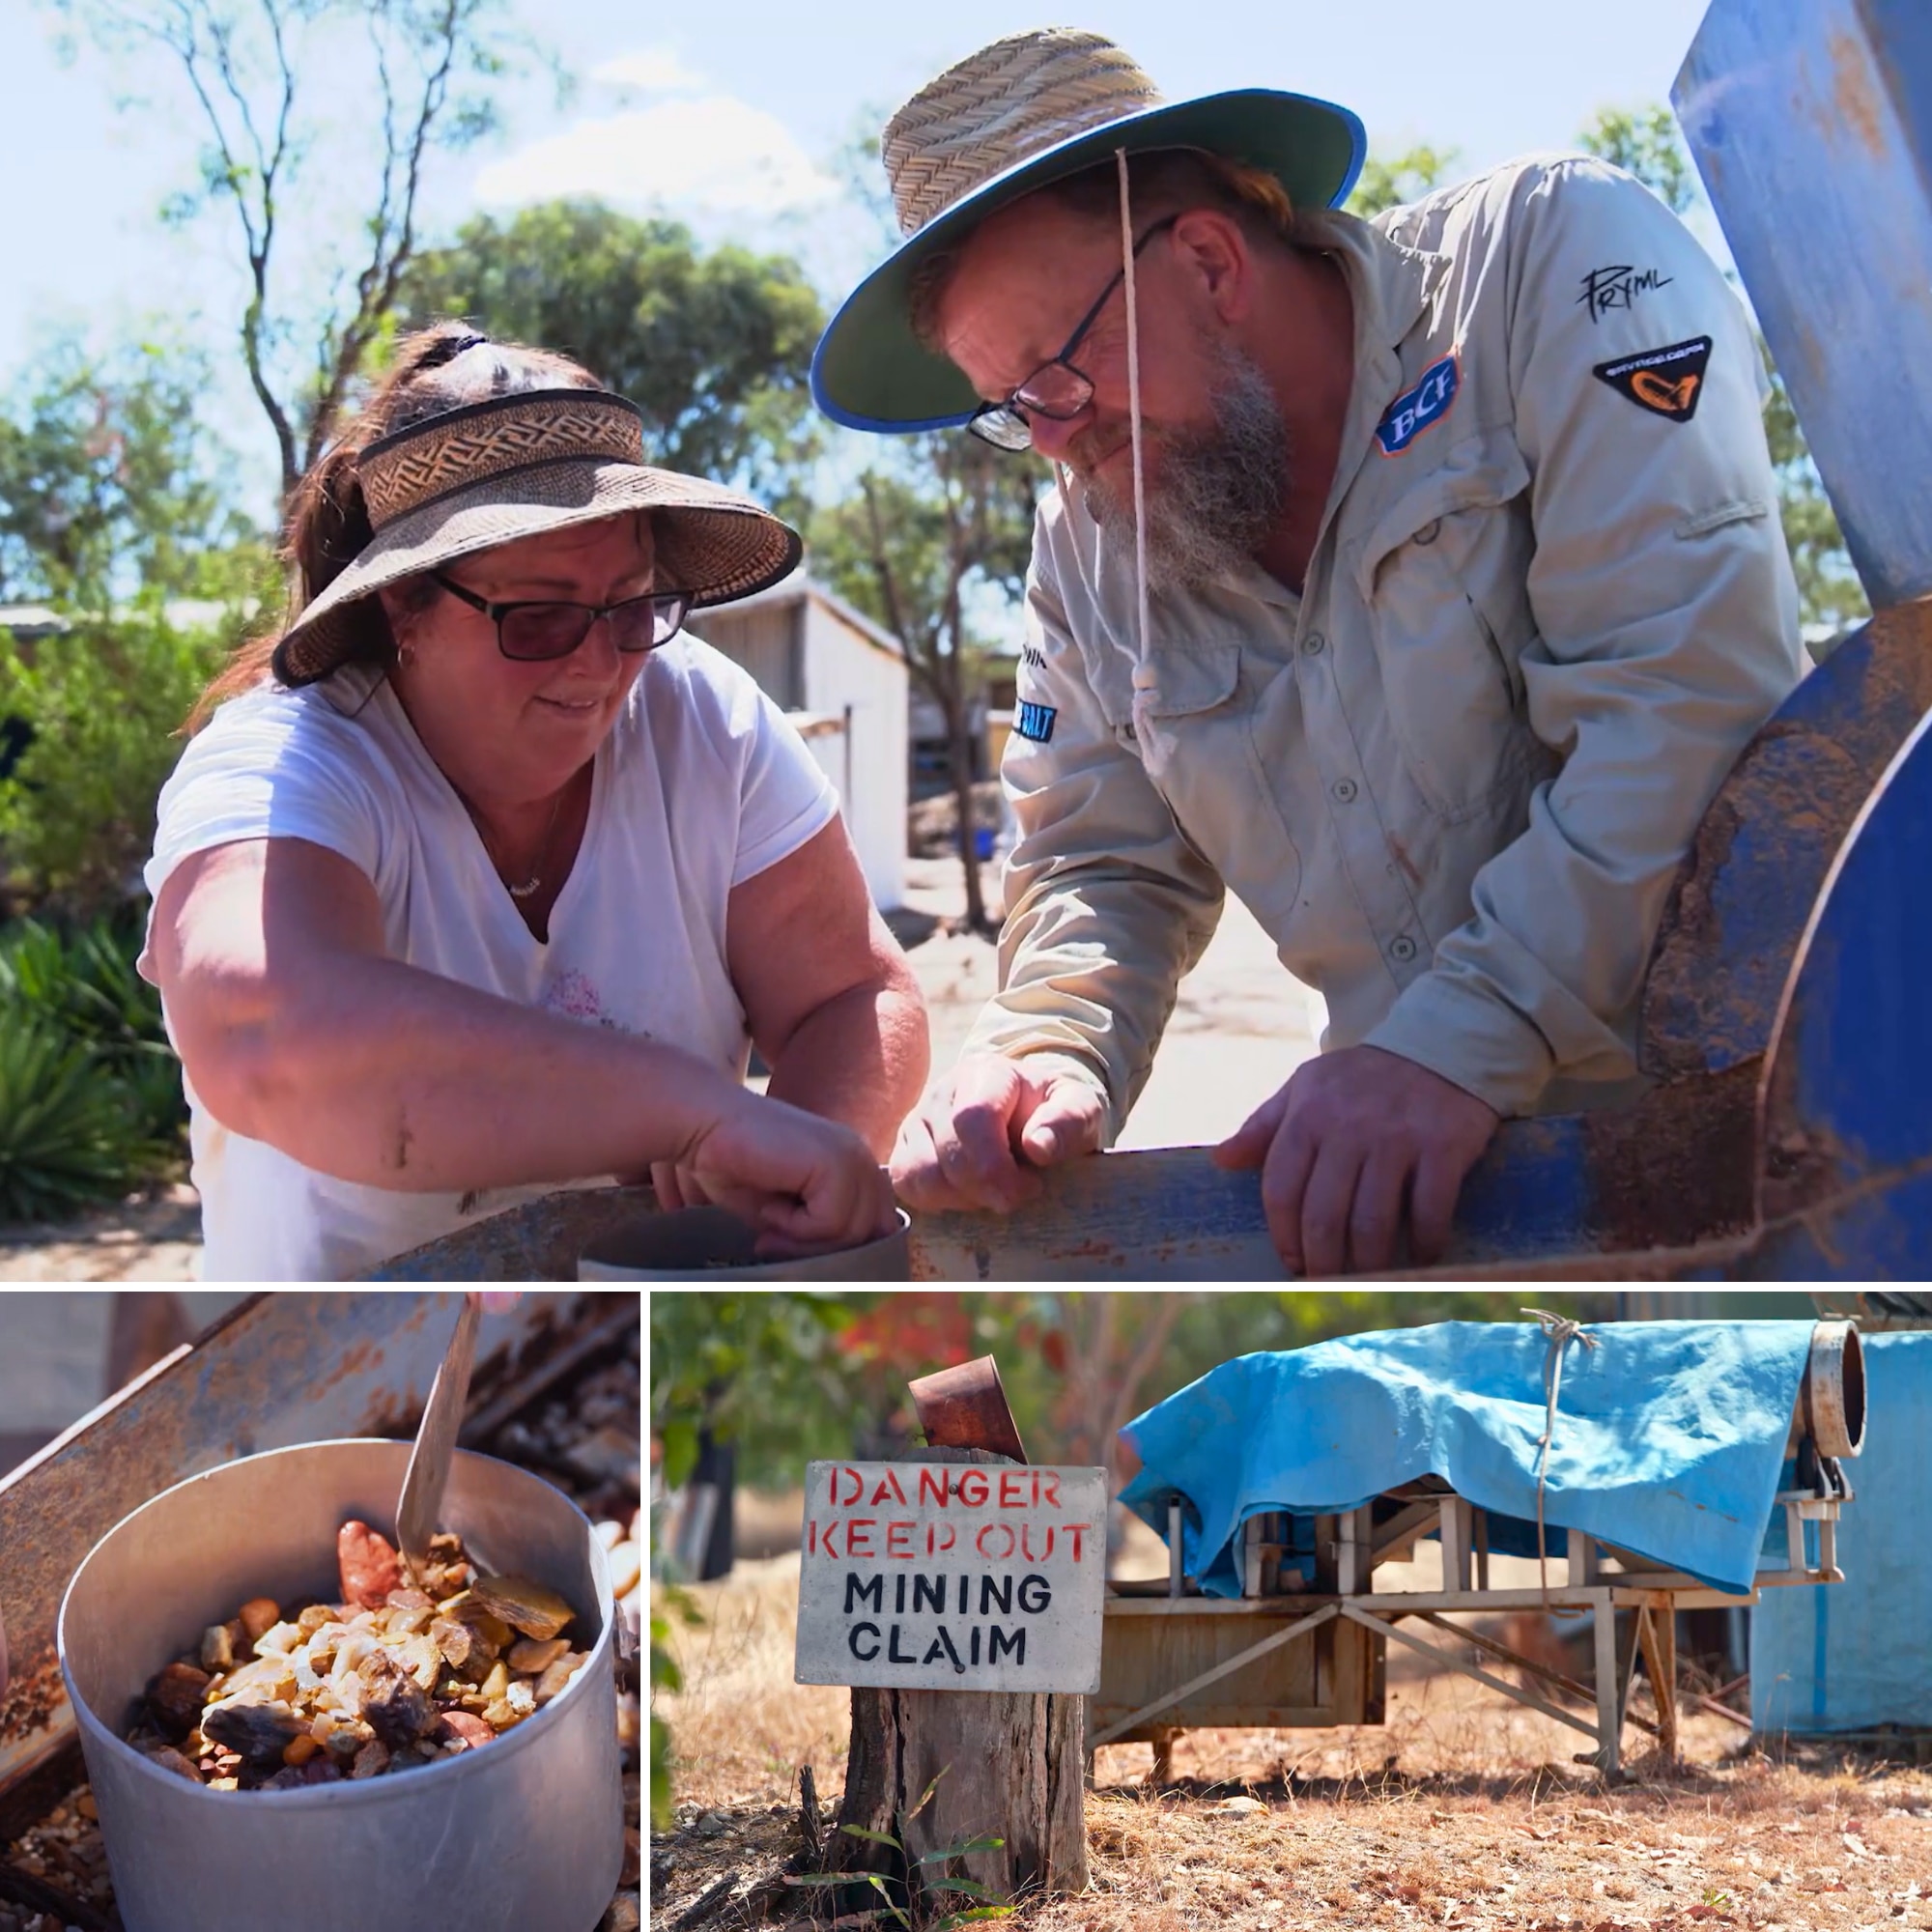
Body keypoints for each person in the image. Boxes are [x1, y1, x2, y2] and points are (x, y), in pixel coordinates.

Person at [813, 30, 1804, 1275]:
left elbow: (1684, 691)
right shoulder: (1088, 538)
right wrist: (1042, 1046)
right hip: (1422, 1206)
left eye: (1059, 382)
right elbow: (1096, 858)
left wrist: (1454, 1040)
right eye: (1013, 412)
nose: (1056, 446)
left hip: (1778, 1144)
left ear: (1212, 261)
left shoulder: (1544, 266)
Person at [144, 324, 928, 1280]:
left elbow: (850, 991)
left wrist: (782, 1186)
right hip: (350, 1373)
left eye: (632, 604)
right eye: (539, 614)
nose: (599, 662)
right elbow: (265, 1032)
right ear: (404, 606)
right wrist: (697, 1110)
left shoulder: (702, 721)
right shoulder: (290, 762)